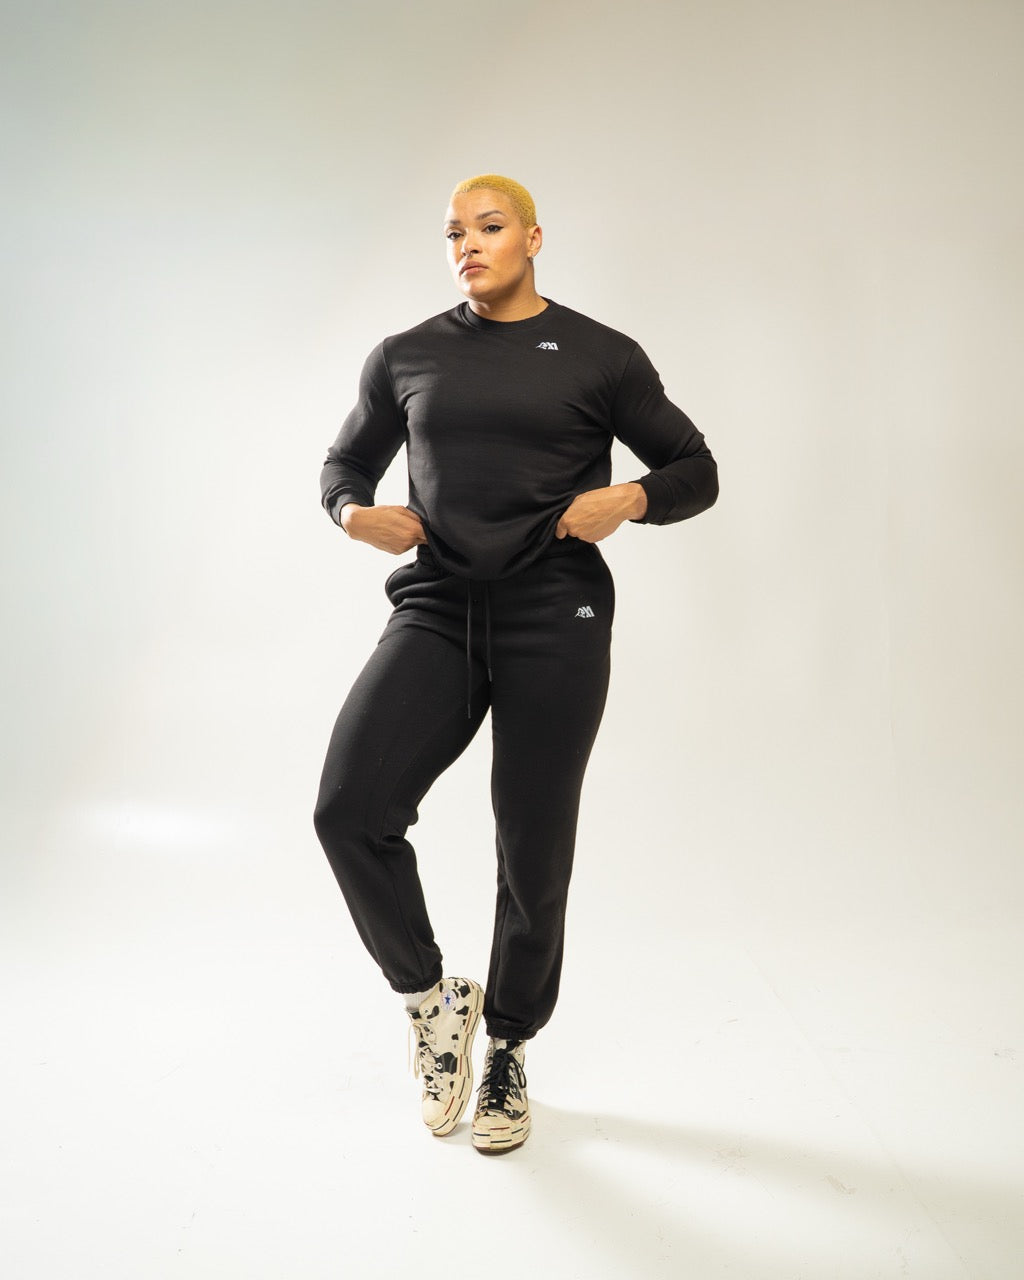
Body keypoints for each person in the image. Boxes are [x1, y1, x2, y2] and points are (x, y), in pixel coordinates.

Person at [313, 174, 718, 1155]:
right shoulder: (406, 354)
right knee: (349, 811)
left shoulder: (600, 354)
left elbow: (695, 469)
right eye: (454, 231)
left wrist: (628, 499)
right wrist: (353, 513)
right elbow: (343, 466)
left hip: (555, 615)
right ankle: (432, 1001)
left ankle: (507, 1046)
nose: (468, 243)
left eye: (489, 226)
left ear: (532, 237)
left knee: (531, 844)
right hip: (438, 610)